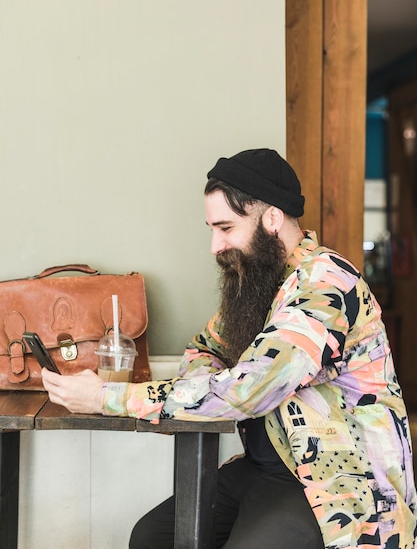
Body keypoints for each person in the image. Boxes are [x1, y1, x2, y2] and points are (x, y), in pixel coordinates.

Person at [42, 148, 417, 549]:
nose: (215, 246)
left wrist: (105, 397)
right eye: (212, 229)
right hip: (265, 468)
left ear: (271, 219)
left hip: (335, 482)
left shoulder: (325, 285)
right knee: (150, 538)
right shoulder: (259, 280)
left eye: (225, 228)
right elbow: (205, 347)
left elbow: (249, 390)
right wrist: (208, 383)